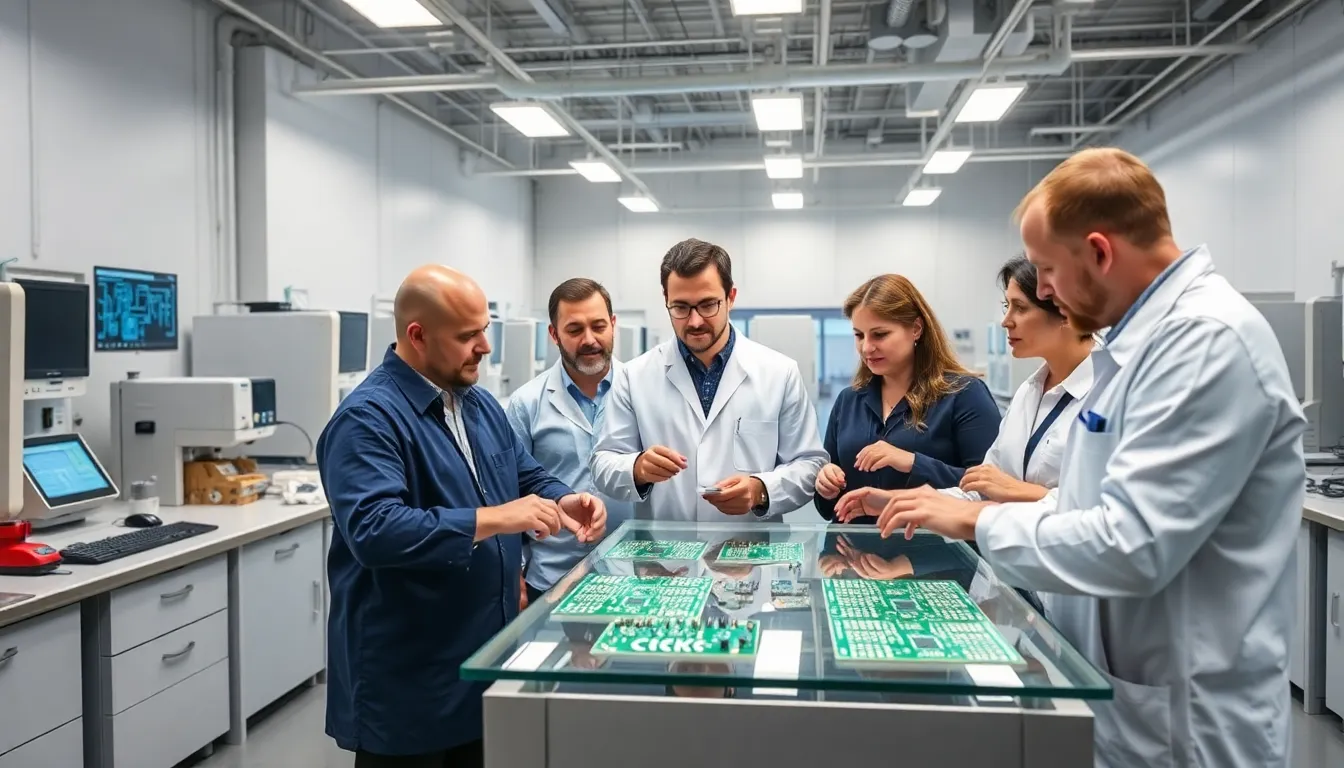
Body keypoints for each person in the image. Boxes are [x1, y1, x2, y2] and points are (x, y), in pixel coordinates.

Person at [838, 148, 1304, 768]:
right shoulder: (1135, 351)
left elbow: (1131, 544)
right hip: (1122, 695)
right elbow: (1065, 503)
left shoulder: (1204, 342)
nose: (1045, 291)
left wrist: (974, 520)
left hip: (1188, 723)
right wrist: (930, 501)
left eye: (1045, 270)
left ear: (1099, 252)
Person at [317, 265, 608, 768]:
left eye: (485, 330)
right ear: (417, 336)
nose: (485, 347)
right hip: (409, 677)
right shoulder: (368, 420)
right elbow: (375, 530)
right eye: (468, 335)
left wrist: (562, 498)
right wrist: (496, 519)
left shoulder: (476, 404)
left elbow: (524, 474)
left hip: (481, 658)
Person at [591, 238, 827, 521]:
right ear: (665, 300)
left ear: (731, 297)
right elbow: (603, 463)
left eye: (707, 305)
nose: (694, 321)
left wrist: (760, 490)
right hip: (668, 557)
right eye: (680, 308)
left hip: (750, 554)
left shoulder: (779, 373)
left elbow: (810, 463)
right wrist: (637, 468)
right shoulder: (634, 376)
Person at [813, 274, 1000, 521]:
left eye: (879, 334)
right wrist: (826, 485)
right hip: (852, 552)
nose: (867, 348)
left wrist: (913, 462)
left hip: (933, 554)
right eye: (859, 335)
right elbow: (829, 511)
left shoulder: (965, 395)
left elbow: (991, 492)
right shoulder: (848, 401)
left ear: (916, 329)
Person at [506, 278, 634, 605]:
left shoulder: (642, 392)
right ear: (554, 334)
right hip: (551, 579)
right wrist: (515, 571)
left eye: (598, 326)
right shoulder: (526, 403)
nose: (589, 339)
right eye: (575, 329)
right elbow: (510, 489)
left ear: (613, 325)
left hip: (632, 574)